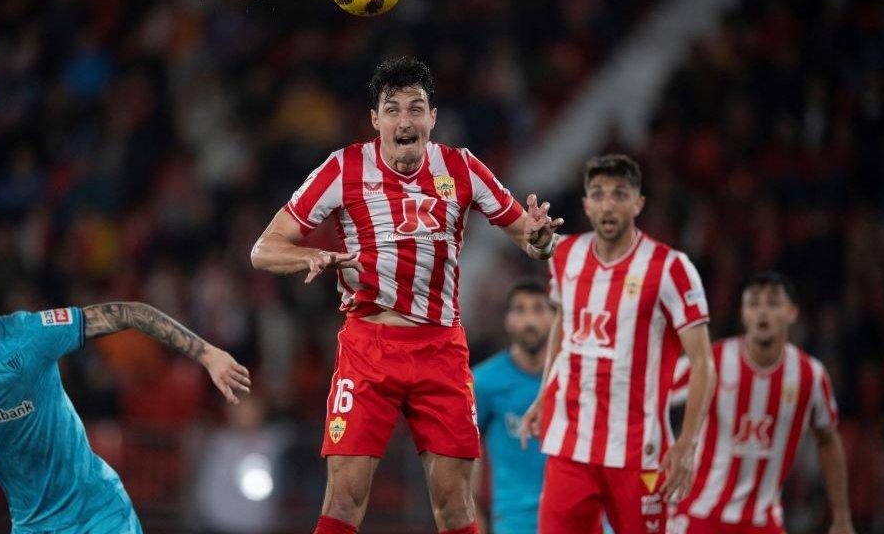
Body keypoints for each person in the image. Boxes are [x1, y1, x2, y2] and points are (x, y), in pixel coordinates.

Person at [250, 56, 564, 534]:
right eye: (392, 110)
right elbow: (264, 249)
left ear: (432, 117)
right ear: (375, 119)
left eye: (416, 109)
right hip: (367, 348)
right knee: (343, 499)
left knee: (456, 505)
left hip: (440, 349)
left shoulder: (462, 168)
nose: (405, 121)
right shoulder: (343, 167)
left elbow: (532, 240)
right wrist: (308, 258)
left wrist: (541, 237)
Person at [0, 246, 251, 533]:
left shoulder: (30, 333)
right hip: (33, 525)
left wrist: (208, 354)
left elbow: (130, 312)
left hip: (99, 513)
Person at [518, 154, 716, 534]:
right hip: (570, 446)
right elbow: (564, 322)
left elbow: (703, 362)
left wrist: (688, 444)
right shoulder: (567, 256)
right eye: (599, 194)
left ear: (638, 203)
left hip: (638, 452)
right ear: (586, 204)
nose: (608, 203)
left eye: (620, 194)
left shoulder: (670, 268)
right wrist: (544, 395)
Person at [666, 272, 855, 534]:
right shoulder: (713, 363)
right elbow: (653, 393)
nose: (762, 312)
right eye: (754, 304)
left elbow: (828, 439)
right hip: (698, 515)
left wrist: (842, 517)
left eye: (773, 303)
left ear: (792, 312)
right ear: (744, 314)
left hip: (762, 522)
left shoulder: (810, 375)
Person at [473, 279, 614, 534]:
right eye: (520, 309)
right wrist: (473, 517)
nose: (530, 321)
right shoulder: (484, 382)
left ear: (556, 318)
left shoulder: (580, 378)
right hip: (515, 522)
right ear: (507, 320)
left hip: (580, 518)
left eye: (539, 309)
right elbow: (465, 453)